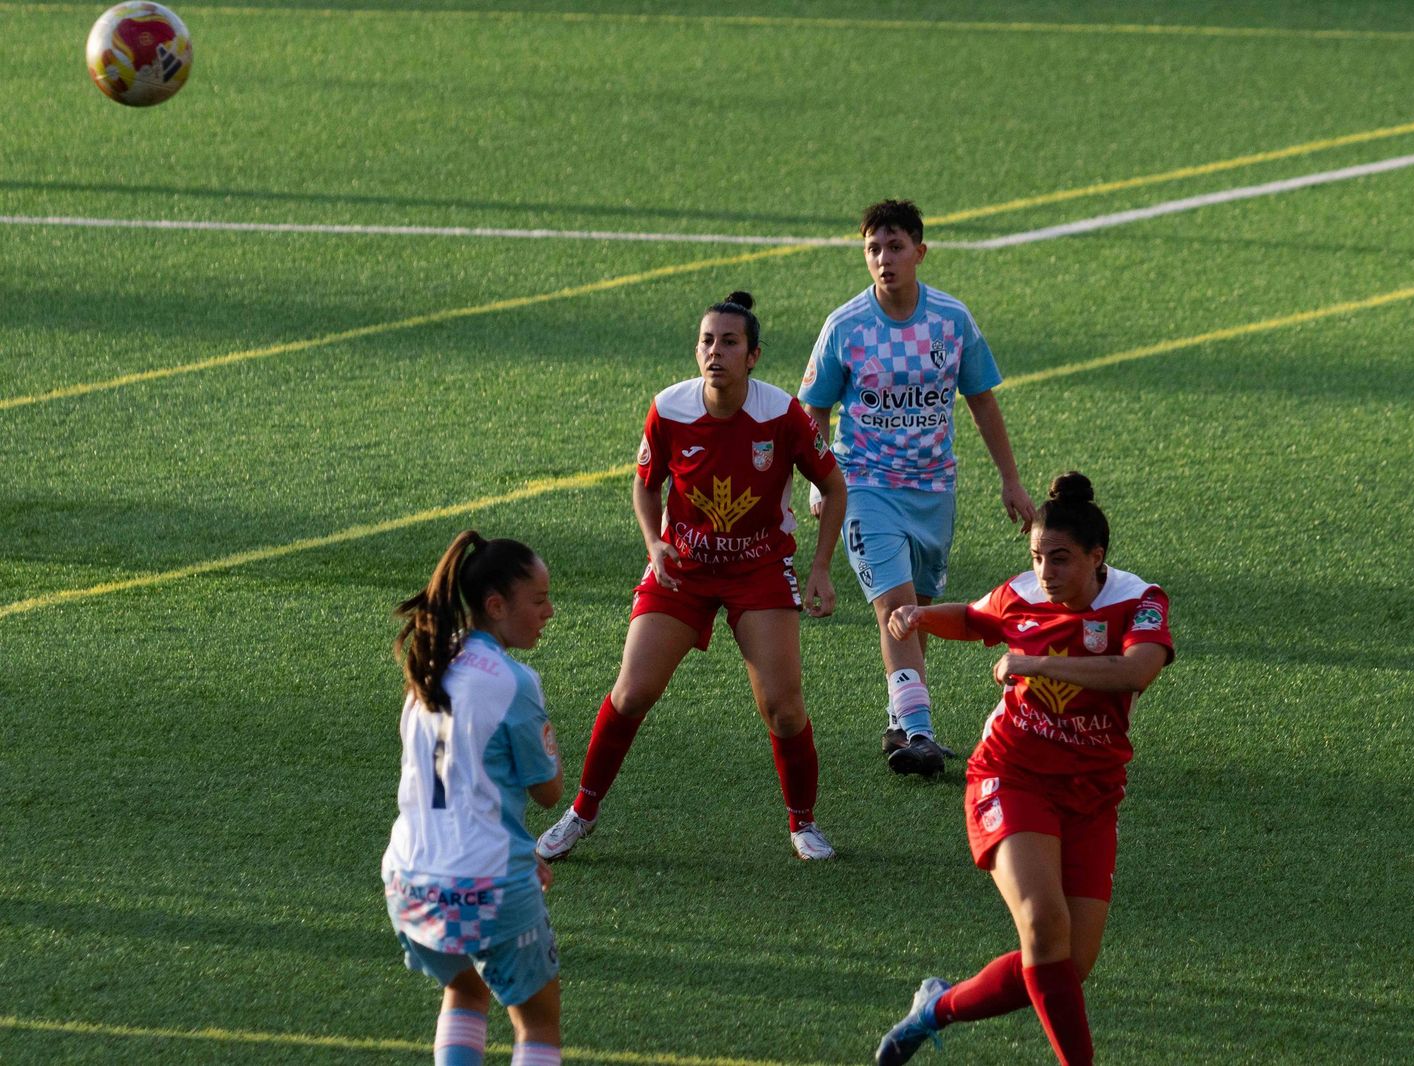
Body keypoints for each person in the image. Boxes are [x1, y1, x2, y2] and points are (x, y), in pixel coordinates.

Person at [873, 473, 1174, 1066]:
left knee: (1067, 964)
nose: (1046, 573)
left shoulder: (1140, 602)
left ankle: (935, 1009)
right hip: (1010, 776)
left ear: (1097, 557)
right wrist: (918, 616)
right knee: (1042, 924)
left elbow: (1136, 671)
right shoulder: (1021, 595)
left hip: (1092, 792)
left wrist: (1037, 662)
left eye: (1060, 560)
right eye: (1037, 558)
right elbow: (977, 619)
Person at [537, 291, 848, 862]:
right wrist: (655, 542)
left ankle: (802, 824)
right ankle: (582, 812)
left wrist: (822, 568)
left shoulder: (784, 415)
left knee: (783, 706)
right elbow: (645, 482)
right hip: (682, 568)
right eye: (707, 341)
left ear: (753, 356)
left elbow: (833, 486)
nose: (715, 352)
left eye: (729, 343)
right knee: (632, 692)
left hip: (758, 567)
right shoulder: (669, 409)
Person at [799, 198, 1036, 777]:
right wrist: (821, 480)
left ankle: (899, 721)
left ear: (920, 252)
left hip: (934, 490)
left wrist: (1010, 479)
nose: (884, 258)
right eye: (873, 249)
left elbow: (981, 398)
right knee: (898, 608)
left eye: (896, 246)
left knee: (918, 613)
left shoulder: (952, 321)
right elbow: (813, 407)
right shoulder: (846, 326)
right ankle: (922, 734)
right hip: (865, 486)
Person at [382, 531, 565, 1066]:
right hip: (487, 883)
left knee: (465, 988)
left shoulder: (429, 665)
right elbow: (549, 791)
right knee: (538, 1025)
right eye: (538, 600)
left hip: (410, 881)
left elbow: (454, 785)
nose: (549, 611)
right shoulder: (513, 681)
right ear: (495, 605)